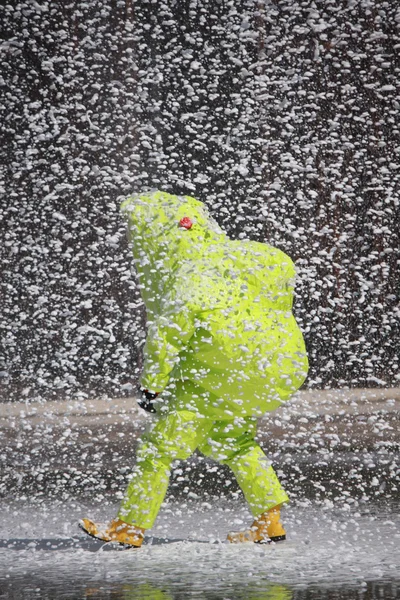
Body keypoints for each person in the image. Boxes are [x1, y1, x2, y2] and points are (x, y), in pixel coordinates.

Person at [80, 190, 308, 548]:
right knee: (237, 442)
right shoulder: (231, 261)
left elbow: (166, 338)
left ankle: (129, 529)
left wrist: (152, 386)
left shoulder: (187, 276)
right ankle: (269, 521)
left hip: (207, 378)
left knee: (158, 449)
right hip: (259, 372)